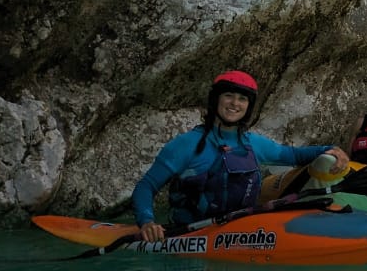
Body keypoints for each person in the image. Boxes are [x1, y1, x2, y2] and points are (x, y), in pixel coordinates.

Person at [132, 70, 349, 241]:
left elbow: (292, 155)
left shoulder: (252, 143)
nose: (235, 104)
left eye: (242, 99)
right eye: (228, 96)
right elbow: (146, 186)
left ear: (249, 106)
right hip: (188, 234)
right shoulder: (186, 144)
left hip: (240, 231)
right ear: (216, 100)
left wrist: (329, 149)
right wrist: (147, 222)